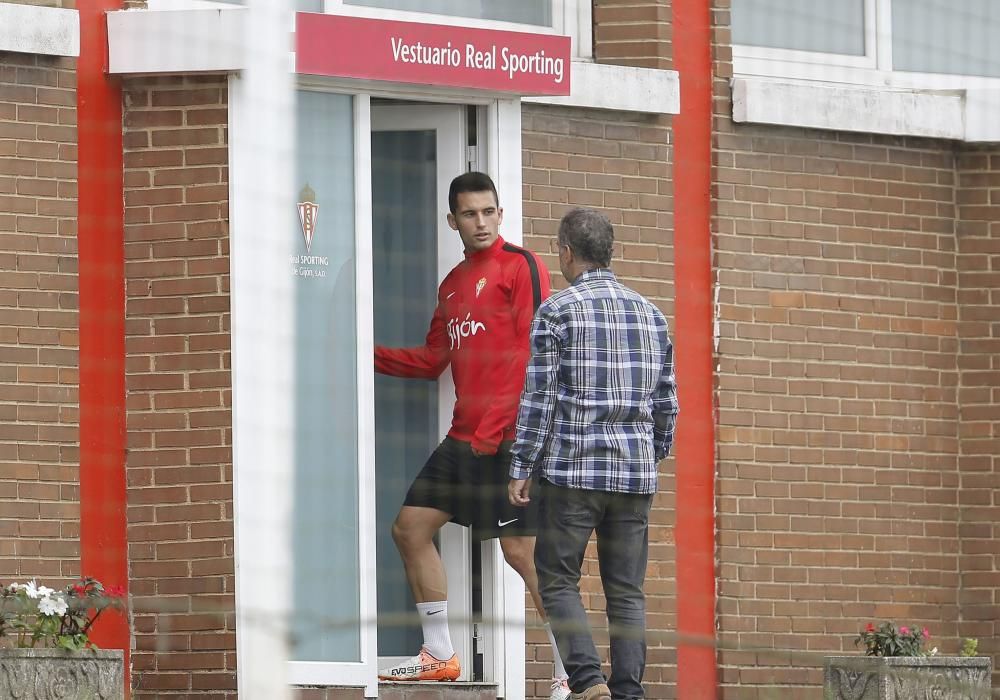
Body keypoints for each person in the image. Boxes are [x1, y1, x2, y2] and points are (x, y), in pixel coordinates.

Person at [375, 172, 572, 700]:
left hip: (509, 438)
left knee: (524, 555)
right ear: (452, 221)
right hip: (464, 438)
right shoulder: (452, 284)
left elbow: (532, 351)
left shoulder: (521, 265)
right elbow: (434, 359)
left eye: (488, 212)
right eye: (469, 214)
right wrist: (365, 353)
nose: (480, 222)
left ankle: (572, 673)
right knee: (409, 529)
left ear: (500, 215)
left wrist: (494, 430)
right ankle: (439, 655)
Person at [508, 207, 679, 700]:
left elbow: (538, 398)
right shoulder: (651, 314)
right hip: (634, 478)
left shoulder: (557, 311)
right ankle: (628, 690)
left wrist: (522, 465)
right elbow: (668, 400)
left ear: (565, 252)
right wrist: (652, 452)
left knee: (558, 578)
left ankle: (586, 681)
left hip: (573, 472)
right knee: (626, 592)